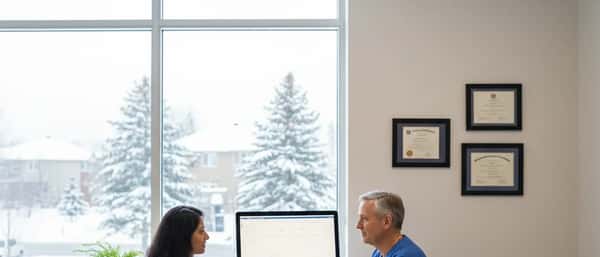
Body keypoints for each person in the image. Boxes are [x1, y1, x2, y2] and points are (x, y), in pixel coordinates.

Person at [356, 191, 426, 257]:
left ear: (387, 221)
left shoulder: (408, 255)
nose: (358, 226)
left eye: (365, 219)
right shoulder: (378, 253)